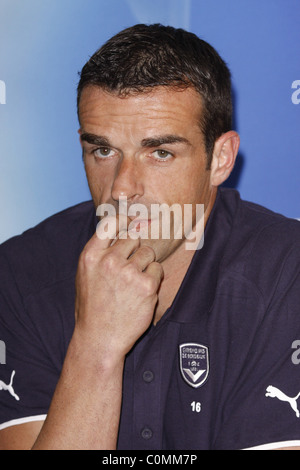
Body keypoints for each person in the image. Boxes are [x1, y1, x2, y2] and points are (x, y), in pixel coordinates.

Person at [0, 24, 299, 451]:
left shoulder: (287, 271)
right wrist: (95, 348)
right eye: (103, 150)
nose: (122, 188)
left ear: (221, 159)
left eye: (160, 152)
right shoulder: (20, 272)